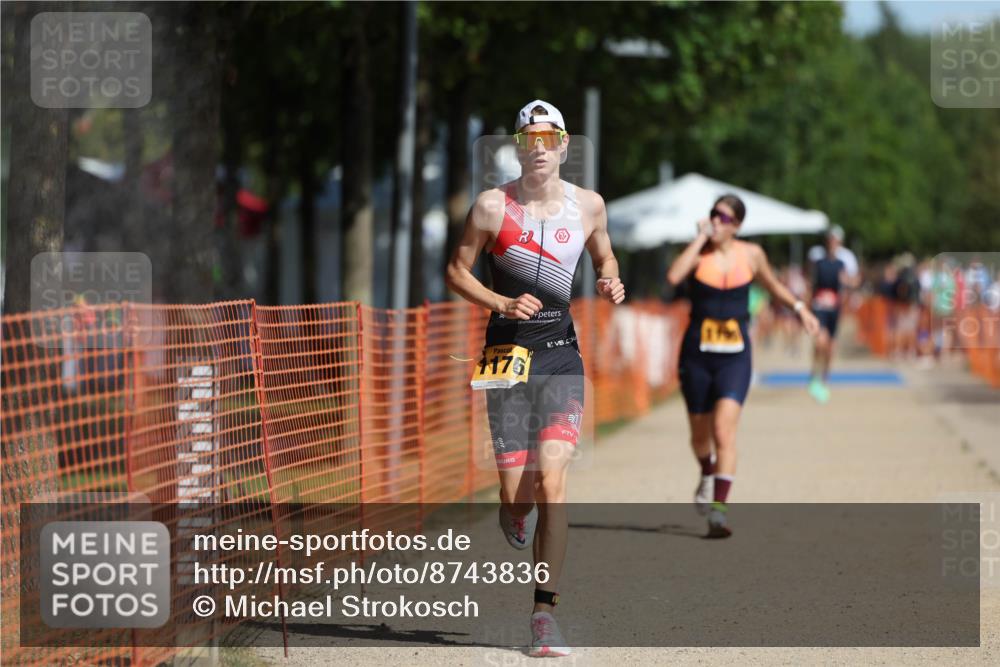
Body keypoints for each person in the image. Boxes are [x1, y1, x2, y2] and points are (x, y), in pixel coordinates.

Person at [445, 99, 625, 657]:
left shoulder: (589, 207)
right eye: (530, 140)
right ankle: (511, 509)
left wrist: (610, 281)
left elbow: (606, 258)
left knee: (553, 483)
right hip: (505, 358)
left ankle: (544, 615)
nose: (540, 148)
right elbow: (455, 271)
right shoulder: (492, 208)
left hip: (560, 357)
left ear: (565, 147)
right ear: (519, 148)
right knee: (519, 496)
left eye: (550, 139)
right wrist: (500, 300)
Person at [667, 195, 819, 538]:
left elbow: (773, 285)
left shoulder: (751, 254)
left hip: (735, 356)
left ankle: (719, 512)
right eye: (713, 215)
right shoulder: (699, 253)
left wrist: (800, 309)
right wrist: (700, 237)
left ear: (737, 225)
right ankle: (707, 471)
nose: (717, 222)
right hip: (697, 354)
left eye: (724, 217)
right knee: (699, 436)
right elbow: (674, 275)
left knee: (724, 431)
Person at [805, 225, 860, 403]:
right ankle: (814, 373)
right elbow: (810, 284)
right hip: (820, 306)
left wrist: (848, 285)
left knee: (831, 347)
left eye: (835, 240)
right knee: (820, 341)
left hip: (835, 308)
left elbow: (853, 282)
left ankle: (824, 379)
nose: (832, 242)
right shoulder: (817, 260)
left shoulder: (844, 262)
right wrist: (806, 307)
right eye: (830, 239)